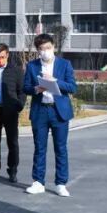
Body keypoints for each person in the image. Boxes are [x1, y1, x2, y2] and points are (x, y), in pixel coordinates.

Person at [23, 34, 77, 197]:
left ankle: (61, 183)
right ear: (37, 50)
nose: (45, 51)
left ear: (53, 47)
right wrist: (35, 89)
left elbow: (72, 87)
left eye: (48, 48)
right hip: (40, 110)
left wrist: (55, 81)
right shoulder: (32, 66)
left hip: (58, 111)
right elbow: (25, 87)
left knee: (61, 148)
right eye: (41, 49)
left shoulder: (64, 64)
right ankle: (38, 182)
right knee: (39, 147)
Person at [0, 43, 25, 183]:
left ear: (8, 55)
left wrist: (19, 105)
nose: (0, 60)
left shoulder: (16, 71)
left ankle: (12, 170)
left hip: (10, 110)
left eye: (3, 57)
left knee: (12, 142)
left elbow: (22, 91)